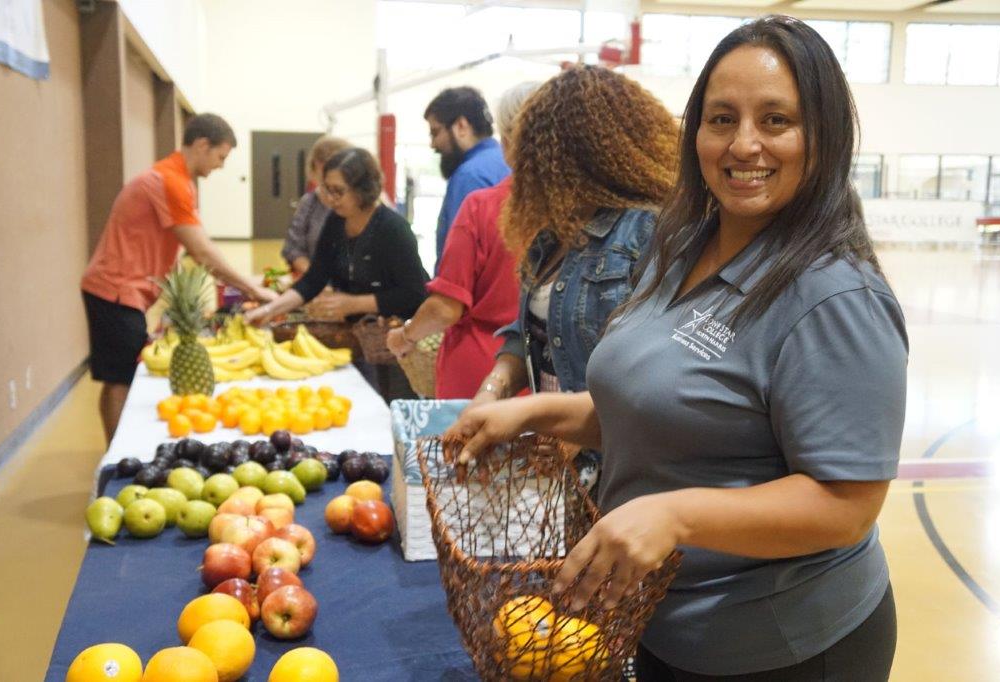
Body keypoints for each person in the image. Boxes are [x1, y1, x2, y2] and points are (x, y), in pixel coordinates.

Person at [448, 16, 906, 681]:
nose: (744, 143)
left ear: (824, 137)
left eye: (775, 120)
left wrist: (675, 515)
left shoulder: (834, 297)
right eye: (722, 118)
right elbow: (665, 413)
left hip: (781, 647)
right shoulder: (679, 245)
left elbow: (847, 504)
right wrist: (537, 413)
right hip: (662, 621)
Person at [466, 65, 680, 489]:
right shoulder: (551, 235)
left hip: (622, 473)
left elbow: (655, 375)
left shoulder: (647, 231)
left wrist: (549, 420)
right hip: (565, 465)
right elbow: (526, 332)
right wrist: (493, 389)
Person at [81, 113, 278, 444]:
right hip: (115, 289)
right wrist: (251, 287)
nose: (220, 166)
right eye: (220, 157)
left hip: (121, 289)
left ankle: (114, 446)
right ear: (202, 145)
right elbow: (201, 252)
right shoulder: (168, 181)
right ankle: (116, 454)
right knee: (119, 378)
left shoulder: (176, 180)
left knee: (118, 376)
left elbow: (194, 246)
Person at [385, 82, 540, 398]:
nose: (433, 144)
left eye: (435, 132)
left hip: (482, 371)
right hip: (541, 376)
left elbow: (447, 305)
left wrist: (406, 336)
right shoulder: (580, 210)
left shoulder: (474, 187)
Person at [246, 147, 428, 401]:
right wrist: (269, 310)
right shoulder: (335, 222)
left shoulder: (393, 229)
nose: (330, 198)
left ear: (363, 189)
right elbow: (313, 279)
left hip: (399, 345)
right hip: (357, 338)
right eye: (326, 189)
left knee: (392, 404)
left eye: (338, 191)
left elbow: (414, 293)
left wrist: (354, 303)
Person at [424, 86, 510, 271]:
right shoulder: (507, 161)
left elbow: (460, 262)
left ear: (461, 126)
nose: (433, 144)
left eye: (435, 132)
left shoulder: (469, 176)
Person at [281, 135, 351, 275]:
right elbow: (293, 248)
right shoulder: (309, 202)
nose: (328, 182)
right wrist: (316, 277)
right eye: (322, 174)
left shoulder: (365, 203)